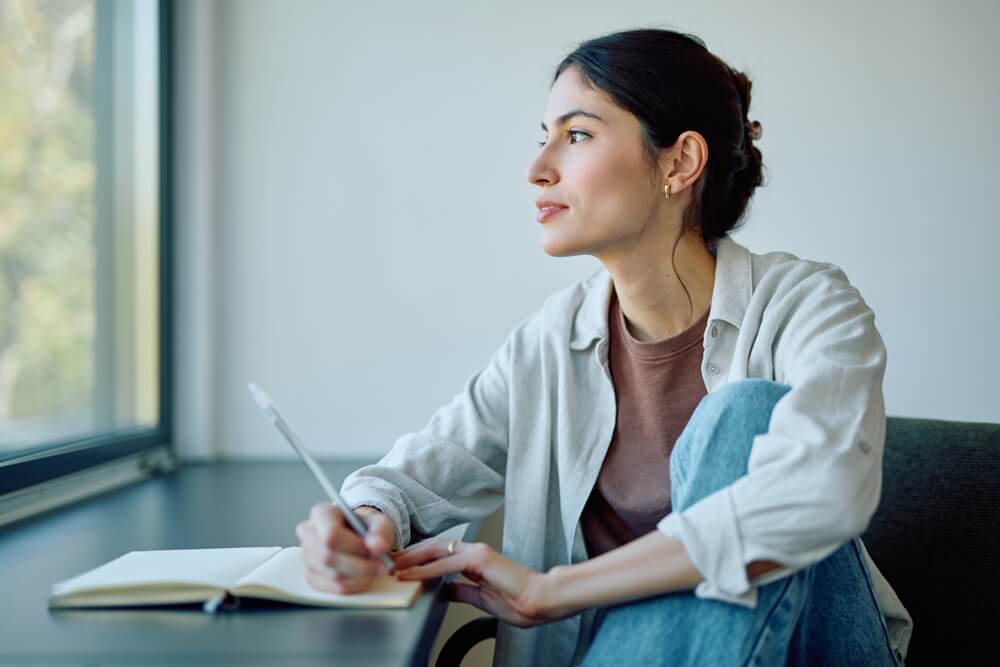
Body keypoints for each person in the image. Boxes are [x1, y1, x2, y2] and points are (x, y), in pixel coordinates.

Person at [294, 28, 913, 666]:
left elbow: (820, 493)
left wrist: (553, 590)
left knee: (747, 416)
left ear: (679, 163)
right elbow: (413, 478)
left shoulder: (806, 306)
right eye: (544, 136)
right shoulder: (548, 342)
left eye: (578, 134)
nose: (537, 168)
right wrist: (364, 523)